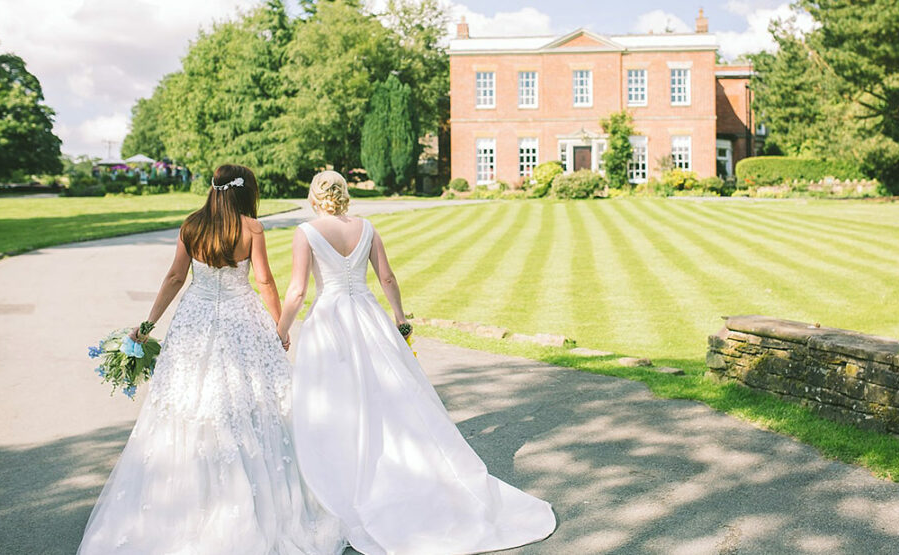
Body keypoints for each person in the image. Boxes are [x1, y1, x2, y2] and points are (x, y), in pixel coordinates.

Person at [276, 170, 556, 555]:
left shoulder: (306, 233)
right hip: (366, 315)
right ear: (343, 195)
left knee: (334, 401)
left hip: (329, 323)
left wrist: (282, 329)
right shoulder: (367, 227)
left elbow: (297, 290)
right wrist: (400, 319)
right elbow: (387, 278)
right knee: (387, 397)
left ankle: (341, 474)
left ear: (313, 196)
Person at [78, 164, 345, 554]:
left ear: (214, 189)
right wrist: (280, 328)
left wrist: (147, 325)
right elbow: (265, 281)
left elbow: (174, 278)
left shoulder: (192, 225)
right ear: (244, 192)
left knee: (190, 403)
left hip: (194, 321)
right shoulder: (252, 228)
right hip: (243, 320)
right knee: (255, 404)